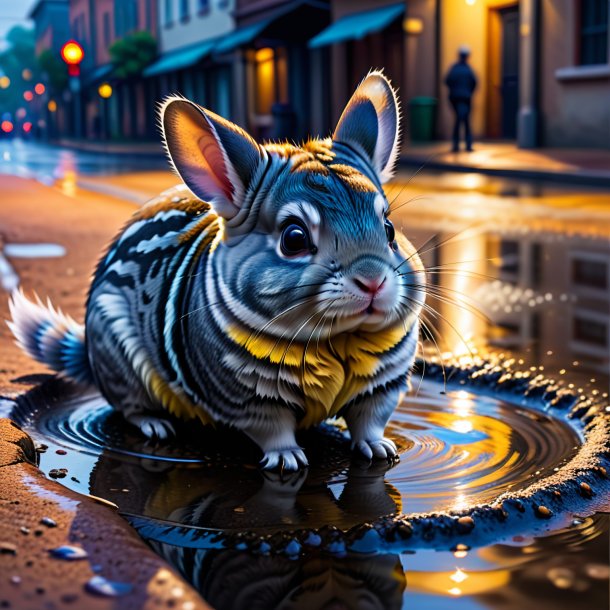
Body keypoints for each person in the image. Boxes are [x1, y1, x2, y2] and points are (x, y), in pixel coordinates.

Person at [444, 46, 477, 152]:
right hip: (466, 98)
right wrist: (469, 92)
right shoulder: (468, 69)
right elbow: (474, 83)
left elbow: (447, 81)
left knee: (458, 120)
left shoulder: (454, 68)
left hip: (455, 97)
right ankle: (468, 144)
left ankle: (456, 145)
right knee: (465, 120)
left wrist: (454, 90)